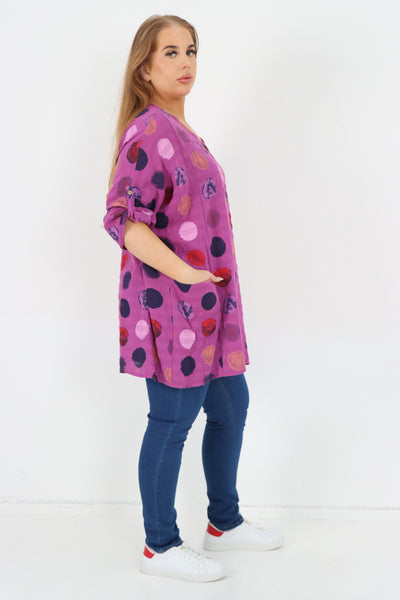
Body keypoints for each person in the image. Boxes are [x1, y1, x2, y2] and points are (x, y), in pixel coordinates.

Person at [103, 14, 284, 583]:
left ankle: (223, 523)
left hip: (211, 305)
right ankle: (159, 545)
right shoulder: (148, 132)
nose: (186, 63)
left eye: (192, 50)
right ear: (144, 67)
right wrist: (185, 272)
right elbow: (122, 221)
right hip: (172, 307)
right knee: (172, 418)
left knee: (231, 406)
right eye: (171, 52)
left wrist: (206, 281)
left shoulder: (182, 131)